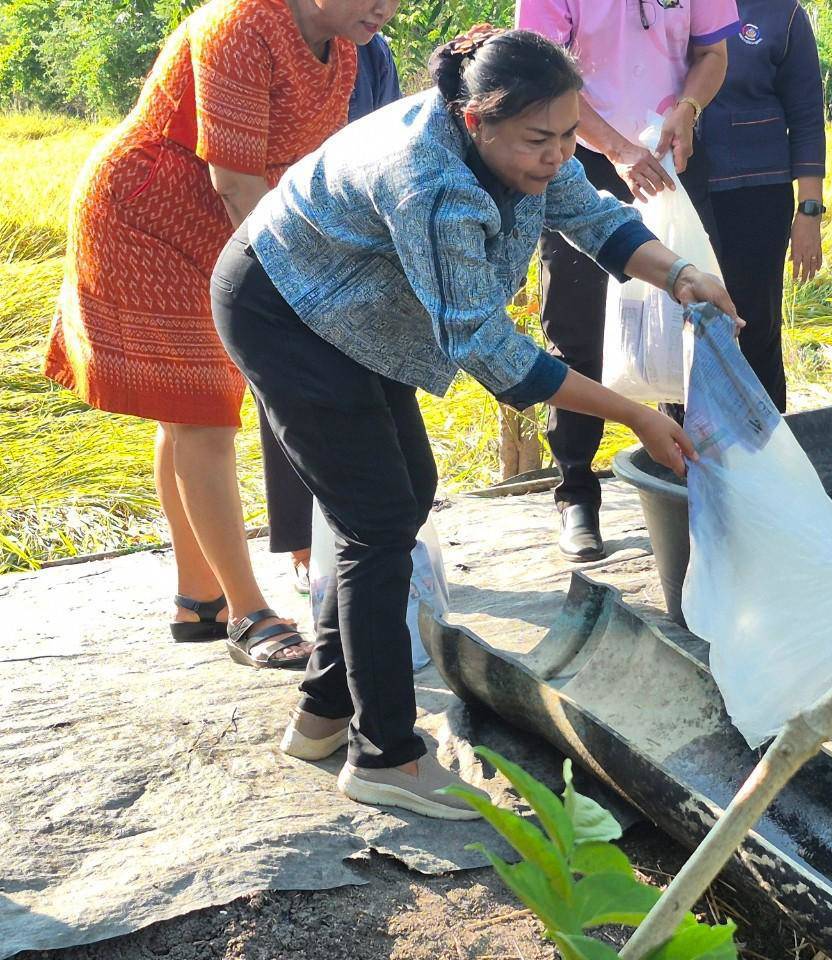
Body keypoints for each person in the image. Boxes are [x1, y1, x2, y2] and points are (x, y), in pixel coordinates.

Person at [211, 27, 738, 817]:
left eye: (568, 134)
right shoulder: (431, 183)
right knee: (376, 523)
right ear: (474, 121)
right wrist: (632, 413)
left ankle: (324, 711)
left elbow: (592, 215)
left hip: (356, 306)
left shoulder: (530, 143)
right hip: (284, 308)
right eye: (538, 140)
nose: (556, 155)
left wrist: (682, 274)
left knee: (401, 497)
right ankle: (384, 754)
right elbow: (488, 348)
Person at [43, 0, 398, 668]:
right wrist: (295, 285)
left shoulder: (345, 47)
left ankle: (198, 599)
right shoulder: (239, 25)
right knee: (202, 418)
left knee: (189, 415)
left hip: (221, 224)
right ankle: (246, 613)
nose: (388, 7)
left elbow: (308, 170)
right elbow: (235, 180)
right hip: (148, 217)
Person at [516, 0, 740, 563]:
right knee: (577, 331)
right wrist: (616, 148)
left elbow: (713, 53)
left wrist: (688, 108)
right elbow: (541, 73)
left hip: (673, 154)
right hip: (581, 157)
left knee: (689, 317)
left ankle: (694, 482)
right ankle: (576, 492)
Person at [256, 31, 404, 596]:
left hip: (360, 238)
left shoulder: (372, 52)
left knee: (376, 397)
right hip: (284, 237)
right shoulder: (267, 37)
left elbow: (390, 141)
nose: (380, 9)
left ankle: (380, 541)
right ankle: (304, 548)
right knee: (295, 401)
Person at [700, 0, 825, 412]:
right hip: (679, 189)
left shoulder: (782, 13)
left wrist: (809, 210)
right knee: (686, 326)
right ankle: (686, 443)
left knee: (755, 324)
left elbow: (807, 114)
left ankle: (769, 439)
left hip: (758, 194)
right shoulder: (668, 8)